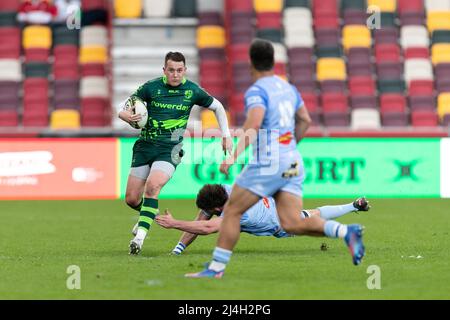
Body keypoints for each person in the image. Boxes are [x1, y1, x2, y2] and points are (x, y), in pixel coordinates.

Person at [186, 39, 365, 278]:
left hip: (268, 162)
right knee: (291, 222)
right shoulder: (288, 88)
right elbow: (306, 120)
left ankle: (216, 269)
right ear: (273, 62)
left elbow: (254, 123)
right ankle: (346, 232)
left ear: (251, 63)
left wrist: (233, 156)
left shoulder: (257, 90)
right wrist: (290, 147)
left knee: (231, 212)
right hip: (292, 160)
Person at [118, 51, 233, 255]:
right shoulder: (151, 87)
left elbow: (218, 107)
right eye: (171, 70)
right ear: (164, 70)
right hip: (145, 146)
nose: (175, 74)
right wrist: (125, 115)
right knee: (131, 199)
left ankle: (139, 238)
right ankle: (148, 215)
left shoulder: (192, 91)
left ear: (185, 71)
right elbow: (124, 106)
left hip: (170, 148)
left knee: (153, 186)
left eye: (180, 70)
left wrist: (226, 135)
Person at [154, 184, 370, 255]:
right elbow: (202, 219)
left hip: (281, 222)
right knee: (314, 213)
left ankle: (349, 226)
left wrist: (173, 223)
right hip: (273, 202)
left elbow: (208, 227)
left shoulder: (235, 210)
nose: (204, 213)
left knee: (315, 220)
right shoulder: (225, 190)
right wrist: (178, 249)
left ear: (218, 207)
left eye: (209, 210)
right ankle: (354, 206)